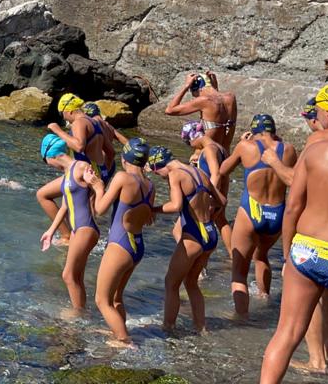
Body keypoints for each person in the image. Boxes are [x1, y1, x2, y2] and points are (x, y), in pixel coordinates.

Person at [260, 106, 328, 384]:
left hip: (305, 250)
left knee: (286, 334)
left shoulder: (317, 150)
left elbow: (293, 209)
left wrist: (287, 257)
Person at [217, 114, 297, 317]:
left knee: (239, 273)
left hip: (252, 211)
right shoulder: (288, 150)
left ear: (253, 131)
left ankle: (241, 318)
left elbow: (223, 170)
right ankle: (264, 297)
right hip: (277, 214)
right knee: (261, 256)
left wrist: (241, 144)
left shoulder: (247, 147)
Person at [150, 146, 220, 333]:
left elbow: (176, 205)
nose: (162, 177)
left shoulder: (175, 174)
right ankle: (201, 328)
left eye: (158, 174)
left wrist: (153, 209)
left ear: (158, 166)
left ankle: (168, 328)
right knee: (191, 283)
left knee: (170, 283)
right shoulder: (199, 172)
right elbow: (221, 200)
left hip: (194, 235)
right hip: (211, 234)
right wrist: (208, 218)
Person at [94, 138, 154, 346]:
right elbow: (148, 217)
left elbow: (99, 209)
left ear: (124, 158)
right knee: (117, 297)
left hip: (120, 244)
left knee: (101, 300)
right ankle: (118, 329)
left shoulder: (122, 177)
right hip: (137, 245)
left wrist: (97, 186)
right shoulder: (150, 185)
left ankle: (124, 341)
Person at [40, 133, 104, 312]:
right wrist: (51, 230)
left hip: (86, 227)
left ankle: (77, 314)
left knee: (68, 275)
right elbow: (65, 206)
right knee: (77, 275)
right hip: (78, 229)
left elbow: (99, 194)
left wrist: (98, 189)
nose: (49, 166)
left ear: (51, 155)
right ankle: (81, 309)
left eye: (47, 161)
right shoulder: (68, 173)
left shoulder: (81, 166)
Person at [39, 95, 113, 244]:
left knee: (43, 195)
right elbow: (111, 152)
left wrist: (57, 130)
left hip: (85, 172)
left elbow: (78, 145)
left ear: (69, 110)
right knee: (83, 212)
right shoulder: (96, 122)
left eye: (63, 113)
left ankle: (67, 237)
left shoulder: (79, 122)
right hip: (99, 171)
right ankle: (80, 241)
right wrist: (104, 173)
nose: (64, 118)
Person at [181, 120, 232, 254]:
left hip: (211, 197)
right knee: (221, 221)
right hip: (220, 196)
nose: (191, 146)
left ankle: (198, 266)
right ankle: (233, 258)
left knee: (180, 229)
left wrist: (209, 198)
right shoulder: (220, 148)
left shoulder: (209, 150)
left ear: (193, 138)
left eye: (188, 142)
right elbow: (224, 174)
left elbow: (216, 174)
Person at [164, 71, 238, 151]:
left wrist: (186, 86)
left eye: (195, 94)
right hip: (225, 155)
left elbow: (169, 110)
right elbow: (219, 114)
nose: (197, 97)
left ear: (197, 89)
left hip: (207, 155)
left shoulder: (204, 101)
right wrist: (214, 87)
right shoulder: (230, 98)